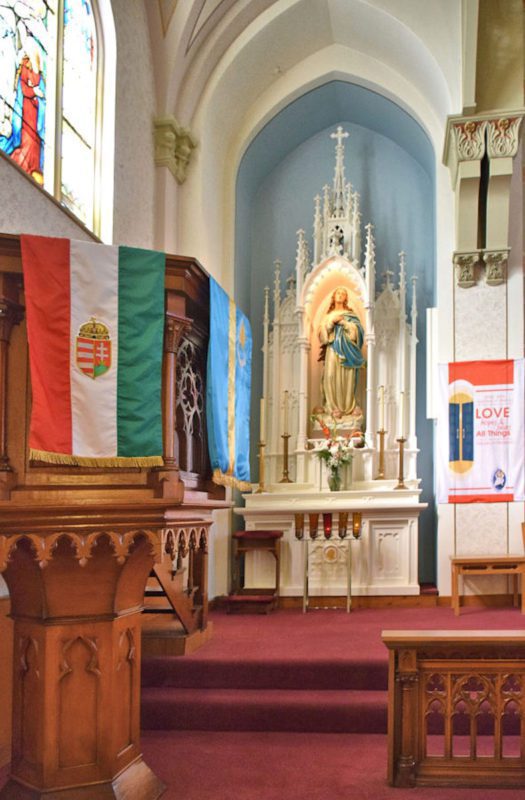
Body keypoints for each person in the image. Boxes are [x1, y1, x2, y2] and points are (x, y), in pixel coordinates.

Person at [318, 286, 365, 416]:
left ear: (346, 298)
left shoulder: (351, 315)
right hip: (332, 349)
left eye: (343, 293)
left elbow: (356, 334)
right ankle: (332, 407)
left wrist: (344, 322)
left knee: (347, 377)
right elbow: (322, 337)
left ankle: (347, 407)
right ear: (333, 297)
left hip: (347, 351)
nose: (340, 295)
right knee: (330, 375)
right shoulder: (327, 316)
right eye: (338, 293)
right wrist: (331, 323)